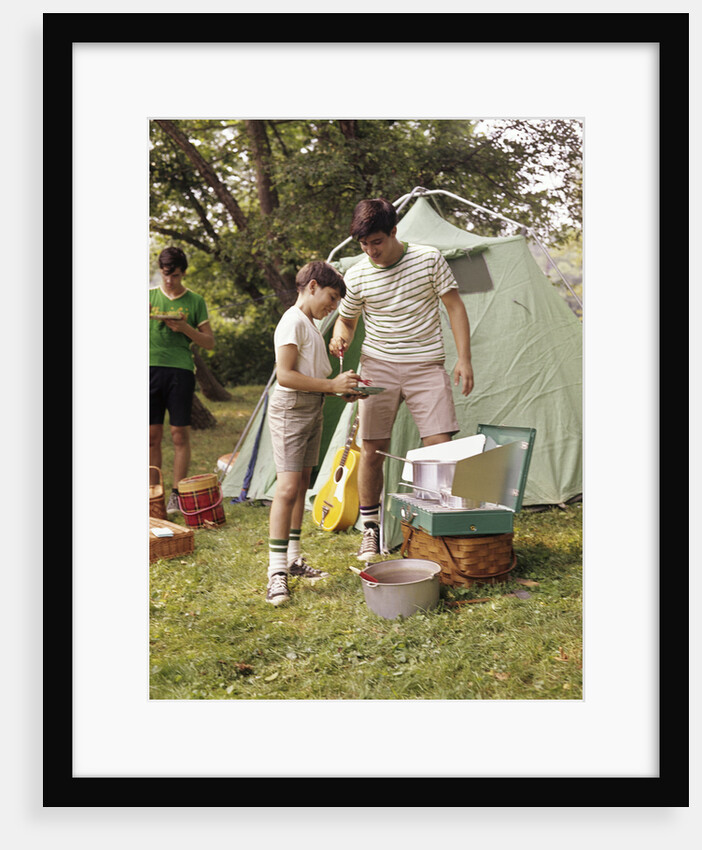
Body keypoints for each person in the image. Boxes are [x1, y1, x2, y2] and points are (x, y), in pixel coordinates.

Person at [329, 197, 475, 561]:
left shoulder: (428, 259)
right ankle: (371, 531)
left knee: (439, 451)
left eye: (376, 242)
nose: (371, 251)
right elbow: (346, 319)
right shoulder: (358, 274)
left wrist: (464, 359)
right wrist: (340, 335)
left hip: (426, 365)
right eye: (364, 245)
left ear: (394, 232)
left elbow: (455, 306)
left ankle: (432, 531)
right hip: (377, 366)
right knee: (373, 451)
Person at [266, 260, 364, 606]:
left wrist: (341, 388)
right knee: (288, 487)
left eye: (338, 301)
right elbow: (286, 376)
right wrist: (331, 384)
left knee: (301, 484)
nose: (334, 306)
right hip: (292, 410)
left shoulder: (309, 325)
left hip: (311, 409)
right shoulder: (292, 321)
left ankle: (292, 559)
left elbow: (315, 376)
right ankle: (275, 573)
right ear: (311, 287)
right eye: (332, 297)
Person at [149, 246, 215, 513]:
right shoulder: (149, 297)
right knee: (151, 436)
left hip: (180, 372)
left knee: (179, 435)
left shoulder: (195, 301)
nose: (169, 281)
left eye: (175, 275)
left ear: (183, 273)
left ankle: (177, 495)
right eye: (165, 274)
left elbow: (209, 342)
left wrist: (185, 328)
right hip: (149, 370)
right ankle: (152, 496)